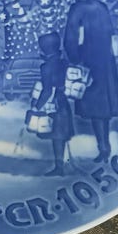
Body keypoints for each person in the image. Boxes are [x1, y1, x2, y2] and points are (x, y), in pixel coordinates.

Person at [64, 0, 118, 163]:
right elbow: (112, 34)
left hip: (88, 61)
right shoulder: (102, 7)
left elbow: (71, 37)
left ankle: (103, 147)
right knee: (104, 108)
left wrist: (74, 59)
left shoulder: (77, 9)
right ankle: (105, 146)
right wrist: (114, 56)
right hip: (105, 62)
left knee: (95, 108)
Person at [34, 31, 76, 176]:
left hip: (53, 104)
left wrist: (36, 107)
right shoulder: (64, 63)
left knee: (56, 136)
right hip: (63, 102)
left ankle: (59, 167)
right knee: (61, 135)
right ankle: (61, 164)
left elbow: (46, 90)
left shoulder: (46, 67)